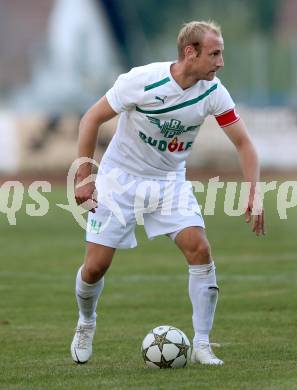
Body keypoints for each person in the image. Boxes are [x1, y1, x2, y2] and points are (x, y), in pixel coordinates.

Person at [71, 20, 265, 366]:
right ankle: (87, 322)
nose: (220, 62)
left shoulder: (214, 92)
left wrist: (254, 190)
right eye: (215, 53)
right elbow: (91, 119)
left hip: (168, 182)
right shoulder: (142, 81)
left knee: (199, 248)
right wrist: (84, 175)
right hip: (120, 180)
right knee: (95, 268)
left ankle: (203, 344)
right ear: (190, 52)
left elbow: (244, 143)